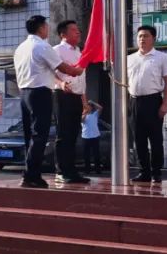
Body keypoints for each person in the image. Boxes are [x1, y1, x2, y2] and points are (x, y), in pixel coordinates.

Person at [13, 14, 85, 188]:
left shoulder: (21, 48)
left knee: (30, 136)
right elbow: (63, 68)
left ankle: (32, 173)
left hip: (24, 94)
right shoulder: (42, 46)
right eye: (46, 26)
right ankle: (31, 176)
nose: (47, 29)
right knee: (40, 136)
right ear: (41, 28)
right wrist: (78, 70)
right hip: (39, 93)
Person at [128, 24, 167, 183]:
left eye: (146, 36)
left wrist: (165, 104)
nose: (142, 39)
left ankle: (156, 172)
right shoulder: (129, 58)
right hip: (134, 102)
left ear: (153, 38)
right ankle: (144, 172)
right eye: (140, 36)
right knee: (139, 140)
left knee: (155, 140)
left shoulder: (162, 57)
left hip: (153, 101)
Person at [53, 20, 90, 184]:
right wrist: (60, 83)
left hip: (76, 96)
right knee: (64, 134)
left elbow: (82, 78)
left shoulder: (79, 52)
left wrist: (84, 101)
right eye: (74, 30)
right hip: (62, 95)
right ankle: (61, 171)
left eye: (78, 30)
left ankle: (72, 171)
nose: (78, 32)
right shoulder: (56, 50)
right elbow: (49, 72)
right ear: (63, 34)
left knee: (74, 135)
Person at [81, 101, 103, 175]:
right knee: (86, 155)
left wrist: (92, 102)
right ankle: (87, 170)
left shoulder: (95, 114)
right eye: (87, 106)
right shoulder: (83, 115)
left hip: (95, 136)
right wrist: (85, 112)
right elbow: (82, 120)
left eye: (89, 107)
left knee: (96, 154)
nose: (88, 108)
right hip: (85, 137)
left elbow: (100, 108)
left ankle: (98, 169)